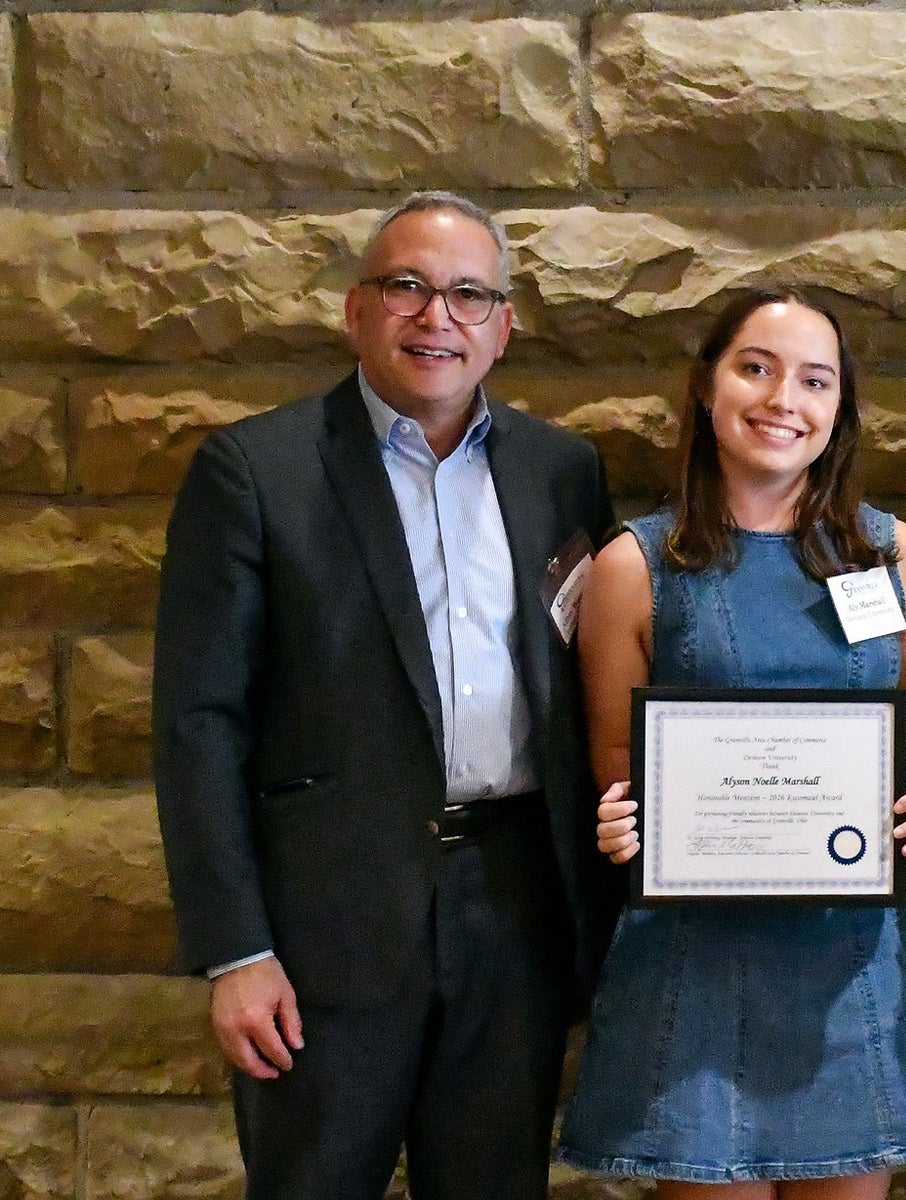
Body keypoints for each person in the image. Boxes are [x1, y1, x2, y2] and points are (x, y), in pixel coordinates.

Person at [152, 191, 619, 1200]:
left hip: (514, 913)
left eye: (466, 294)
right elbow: (199, 727)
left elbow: (590, 694)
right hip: (324, 931)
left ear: (502, 325)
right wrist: (235, 950)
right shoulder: (254, 472)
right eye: (405, 286)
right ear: (356, 311)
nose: (434, 317)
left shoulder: (561, 472)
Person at [557, 289, 906, 1197]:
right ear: (708, 388)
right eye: (757, 367)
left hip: (850, 958)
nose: (783, 398)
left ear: (840, 411)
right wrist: (622, 823)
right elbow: (616, 764)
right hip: (697, 959)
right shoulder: (637, 566)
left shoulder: (896, 555)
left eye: (814, 380)